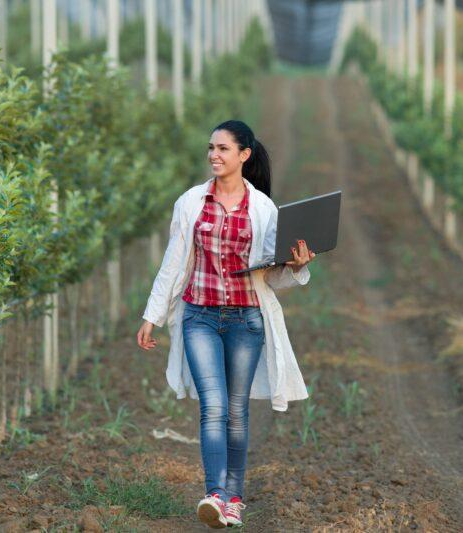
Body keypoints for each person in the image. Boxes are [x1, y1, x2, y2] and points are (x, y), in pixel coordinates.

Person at [136, 119, 315, 529]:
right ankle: (214, 494)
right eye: (211, 148)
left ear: (244, 155)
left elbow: (271, 274)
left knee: (236, 410)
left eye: (223, 149)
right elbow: (174, 262)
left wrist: (297, 266)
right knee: (212, 407)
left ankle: (234, 498)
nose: (214, 155)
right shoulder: (191, 203)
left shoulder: (264, 209)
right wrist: (153, 315)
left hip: (245, 320)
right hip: (199, 315)